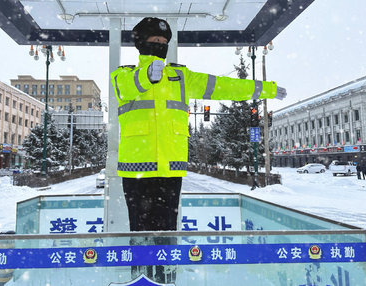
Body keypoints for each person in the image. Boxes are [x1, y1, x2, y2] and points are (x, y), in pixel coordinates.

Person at [110, 17, 286, 283]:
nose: (159, 45)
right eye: (154, 41)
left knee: (168, 229)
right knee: (140, 231)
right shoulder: (122, 75)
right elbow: (128, 88)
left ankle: (166, 278)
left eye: (163, 42)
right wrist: (147, 75)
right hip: (136, 170)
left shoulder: (181, 77)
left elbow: (224, 86)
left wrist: (265, 89)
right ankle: (140, 278)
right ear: (140, 43)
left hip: (170, 168)